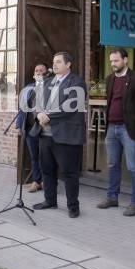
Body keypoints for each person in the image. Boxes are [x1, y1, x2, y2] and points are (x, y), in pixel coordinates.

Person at [32, 52, 88, 218]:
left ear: (68, 64)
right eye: (53, 62)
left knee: (69, 172)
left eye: (58, 62)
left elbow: (72, 105)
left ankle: (73, 206)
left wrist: (47, 115)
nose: (54, 65)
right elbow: (37, 102)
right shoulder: (47, 82)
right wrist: (38, 114)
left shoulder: (77, 82)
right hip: (45, 135)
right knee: (47, 171)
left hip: (67, 136)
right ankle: (50, 201)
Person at [96, 48, 135, 216]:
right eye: (111, 61)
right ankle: (112, 197)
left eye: (116, 61)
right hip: (111, 128)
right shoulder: (110, 79)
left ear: (125, 60)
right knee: (113, 164)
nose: (113, 64)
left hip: (129, 129)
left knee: (133, 167)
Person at [15, 64, 47, 193]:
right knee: (34, 156)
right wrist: (19, 125)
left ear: (46, 73)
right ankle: (36, 181)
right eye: (36, 70)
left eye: (41, 70)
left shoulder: (50, 88)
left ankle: (46, 181)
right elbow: (22, 109)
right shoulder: (28, 88)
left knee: (45, 156)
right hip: (29, 127)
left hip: (43, 128)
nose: (38, 72)